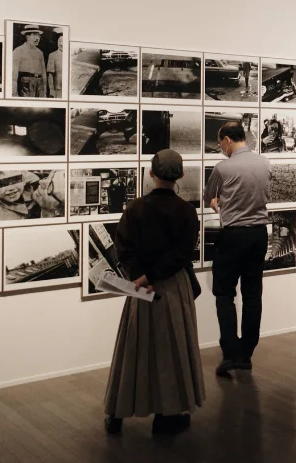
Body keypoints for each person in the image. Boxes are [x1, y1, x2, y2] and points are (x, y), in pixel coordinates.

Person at [103, 149, 204, 436]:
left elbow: (124, 247)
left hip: (140, 287)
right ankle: (167, 414)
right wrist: (154, 274)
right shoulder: (186, 210)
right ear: (181, 176)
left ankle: (117, 413)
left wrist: (140, 275)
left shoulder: (135, 208)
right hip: (172, 286)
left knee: (133, 349)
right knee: (172, 350)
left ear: (151, 173)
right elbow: (183, 253)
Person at [203, 121, 270, 375]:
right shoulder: (265, 163)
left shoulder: (222, 168)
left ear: (228, 140)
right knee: (253, 294)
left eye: (220, 143)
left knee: (224, 294)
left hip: (232, 236)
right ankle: (246, 352)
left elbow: (208, 196)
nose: (220, 148)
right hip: (258, 235)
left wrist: (217, 201)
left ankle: (230, 353)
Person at [12, 24, 48, 97]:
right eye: (34, 35)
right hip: (25, 85)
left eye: (39, 35)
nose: (37, 38)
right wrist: (14, 93)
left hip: (39, 86)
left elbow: (44, 73)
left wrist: (44, 92)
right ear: (27, 36)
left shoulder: (40, 52)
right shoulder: (18, 51)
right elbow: (13, 74)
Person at [46, 28, 64, 98]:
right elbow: (50, 75)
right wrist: (51, 90)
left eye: (64, 41)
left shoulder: (71, 55)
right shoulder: (52, 55)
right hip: (58, 89)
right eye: (59, 41)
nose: (61, 44)